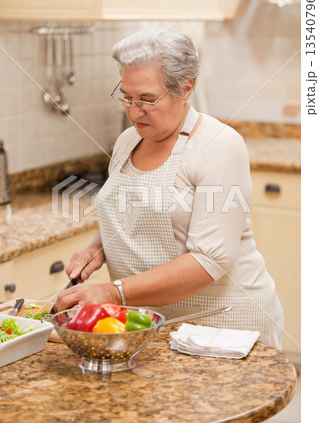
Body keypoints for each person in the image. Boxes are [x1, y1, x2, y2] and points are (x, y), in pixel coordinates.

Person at [55, 28, 284, 349]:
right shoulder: (128, 141)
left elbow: (208, 260)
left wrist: (111, 292)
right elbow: (132, 214)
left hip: (221, 325)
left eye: (147, 99)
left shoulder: (219, 145)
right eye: (126, 96)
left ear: (186, 88)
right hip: (146, 324)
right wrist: (99, 247)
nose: (134, 112)